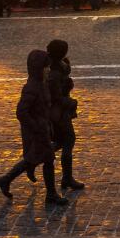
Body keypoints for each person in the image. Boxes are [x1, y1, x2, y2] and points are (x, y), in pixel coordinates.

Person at [0, 49, 66, 206]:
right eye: (45, 68)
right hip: (37, 131)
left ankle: (6, 179)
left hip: (42, 129)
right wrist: (36, 127)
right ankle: (51, 194)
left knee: (36, 159)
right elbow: (21, 112)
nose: (48, 70)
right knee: (45, 159)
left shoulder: (41, 84)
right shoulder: (32, 88)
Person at [44, 39, 84, 191]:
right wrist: (71, 102)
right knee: (68, 140)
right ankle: (67, 178)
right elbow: (57, 98)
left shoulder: (60, 67)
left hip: (62, 112)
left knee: (60, 143)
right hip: (59, 114)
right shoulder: (54, 73)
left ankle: (14, 173)